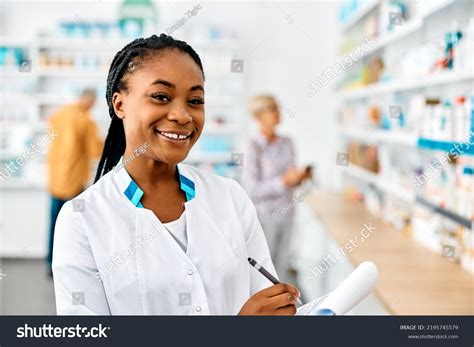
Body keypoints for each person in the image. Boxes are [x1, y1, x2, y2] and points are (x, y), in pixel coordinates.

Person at [52, 34, 301, 315]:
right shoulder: (81, 220)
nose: (182, 115)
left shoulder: (230, 197)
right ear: (119, 104)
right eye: (161, 97)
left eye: (195, 100)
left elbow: (265, 304)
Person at [241, 95, 311, 277]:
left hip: (288, 213)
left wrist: (299, 177)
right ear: (259, 116)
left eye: (277, 108)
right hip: (265, 218)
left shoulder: (287, 142)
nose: (278, 113)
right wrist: (283, 181)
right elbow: (251, 189)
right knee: (264, 270)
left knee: (281, 268)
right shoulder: (253, 146)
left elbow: (291, 175)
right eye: (272, 109)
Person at [46, 88, 103, 275]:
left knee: (54, 222)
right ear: (89, 99)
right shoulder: (86, 121)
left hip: (56, 177)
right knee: (73, 226)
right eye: (93, 102)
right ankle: (69, 265)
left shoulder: (60, 113)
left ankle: (50, 263)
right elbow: (95, 151)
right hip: (74, 181)